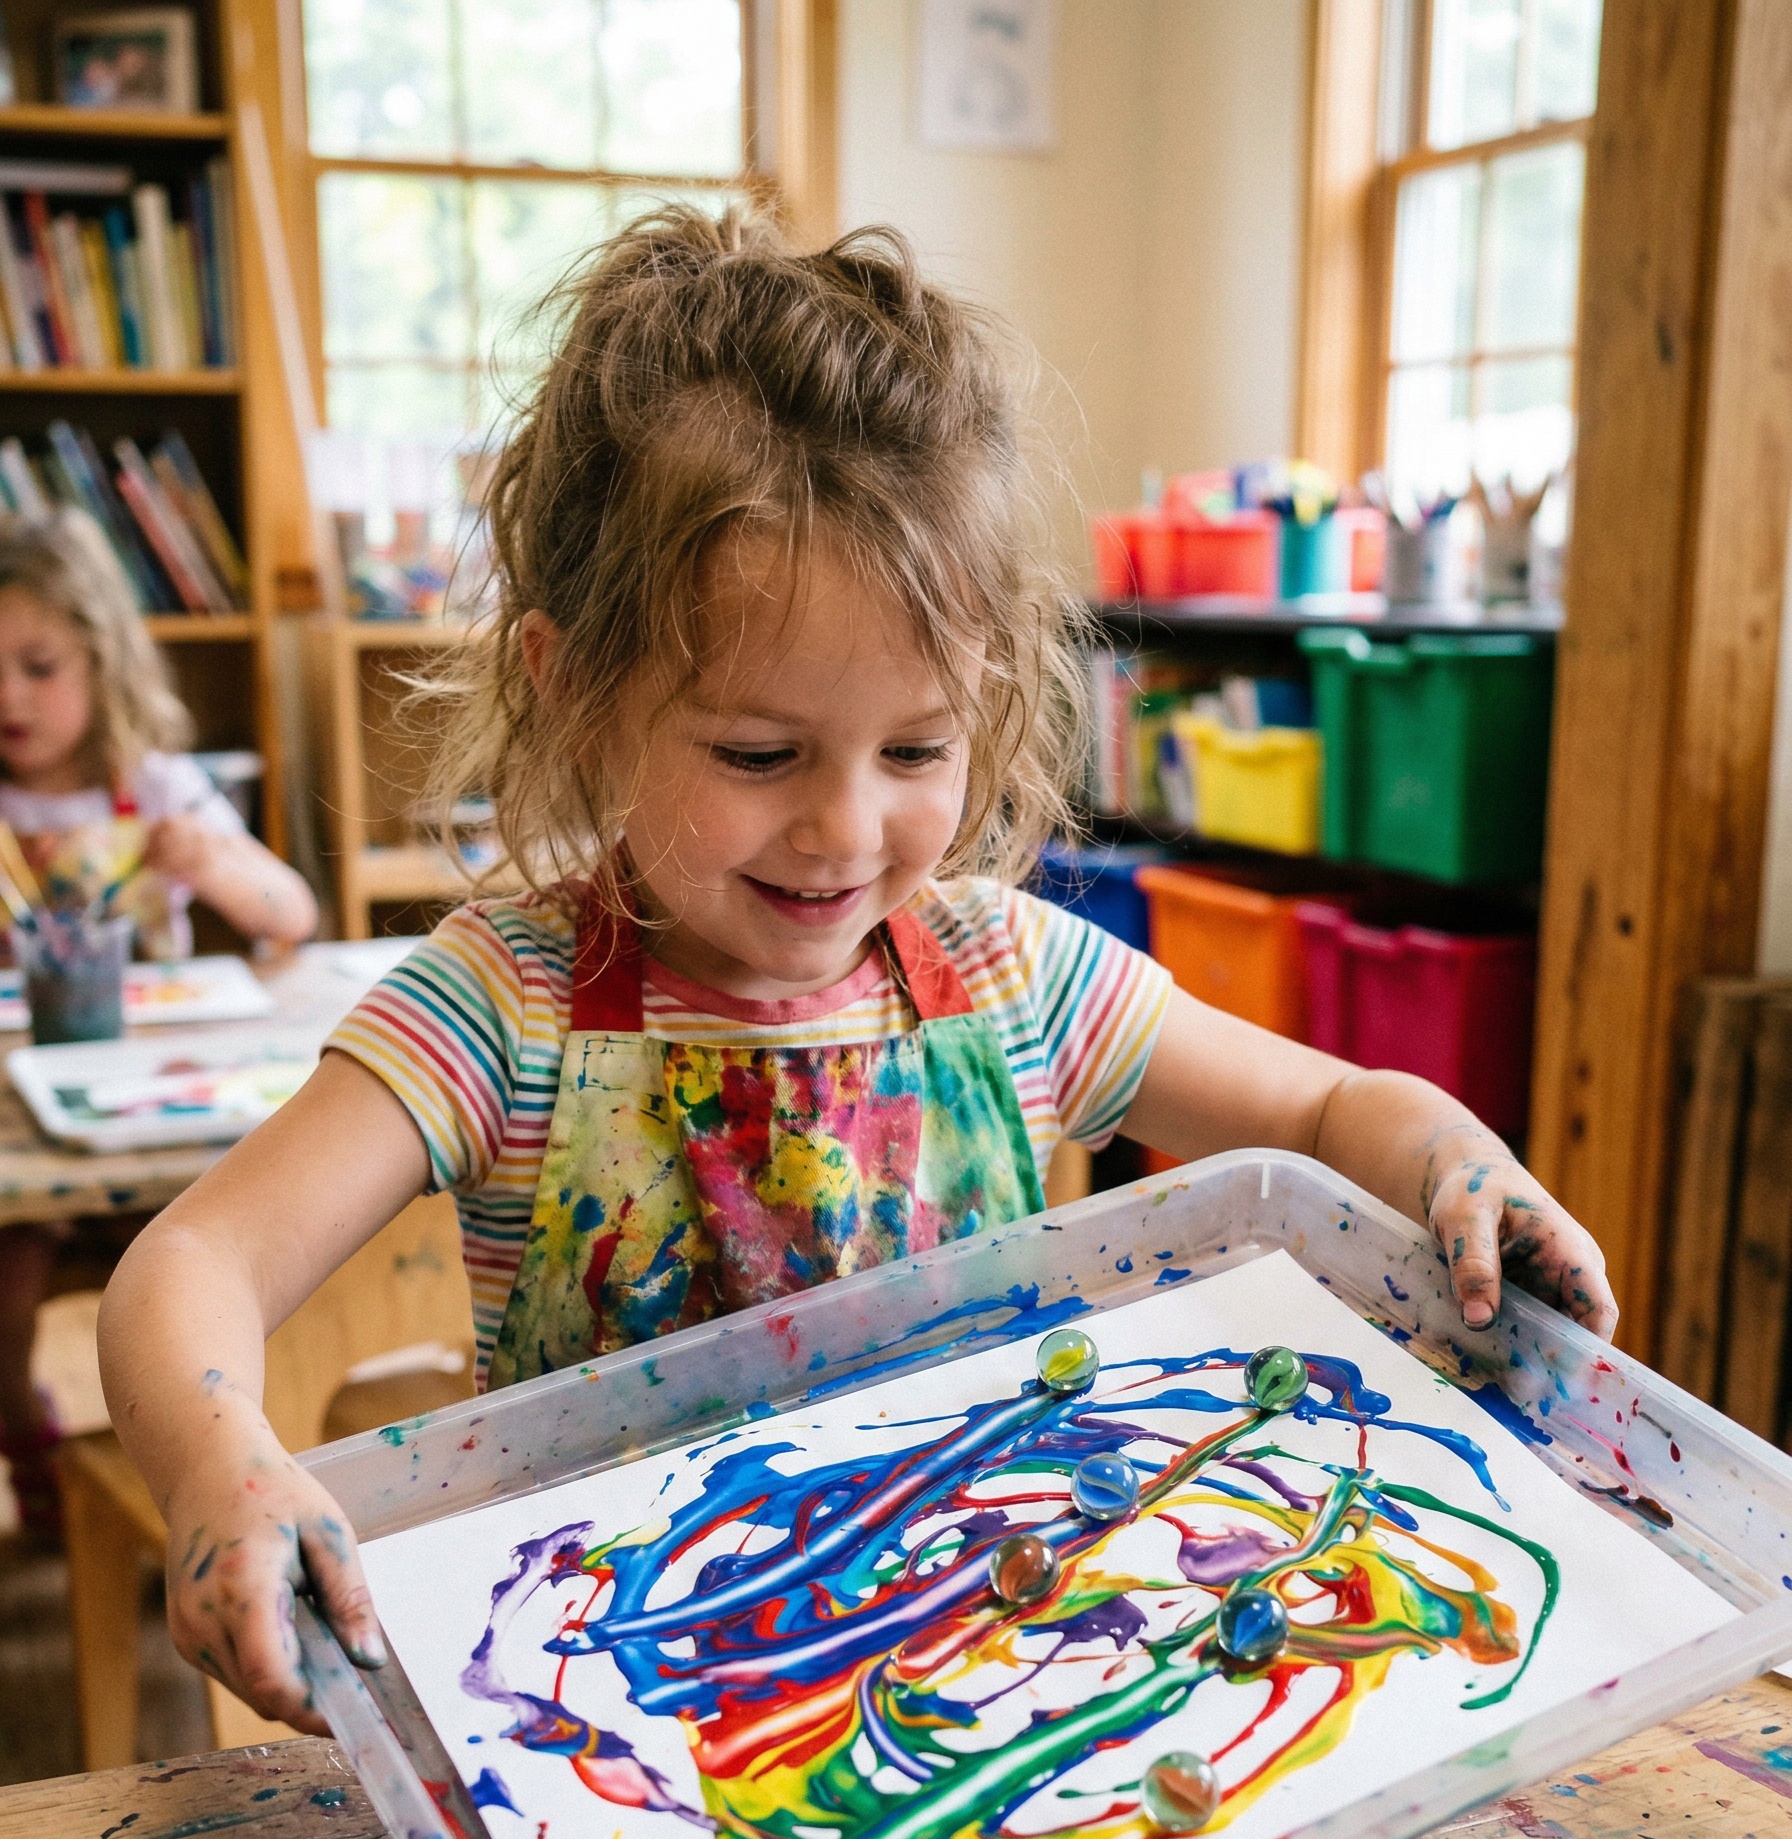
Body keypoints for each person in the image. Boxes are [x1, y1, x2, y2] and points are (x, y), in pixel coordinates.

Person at [97, 207, 1616, 1731]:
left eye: (915, 750)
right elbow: (191, 1267)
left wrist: (1457, 1167)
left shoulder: (1010, 974)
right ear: (574, 694)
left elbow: (1327, 1110)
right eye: (758, 754)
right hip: (614, 1710)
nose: (844, 827)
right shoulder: (509, 1006)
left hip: (988, 1682)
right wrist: (223, 1463)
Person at [0, 510, 315, 1539]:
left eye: (38, 666)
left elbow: (290, 916)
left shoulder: (155, 787)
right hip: (27, 1124)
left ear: (104, 659)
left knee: (242, 1256)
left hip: (162, 1111)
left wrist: (212, 861)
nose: (9, 696)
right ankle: (29, 1438)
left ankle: (236, 1460)